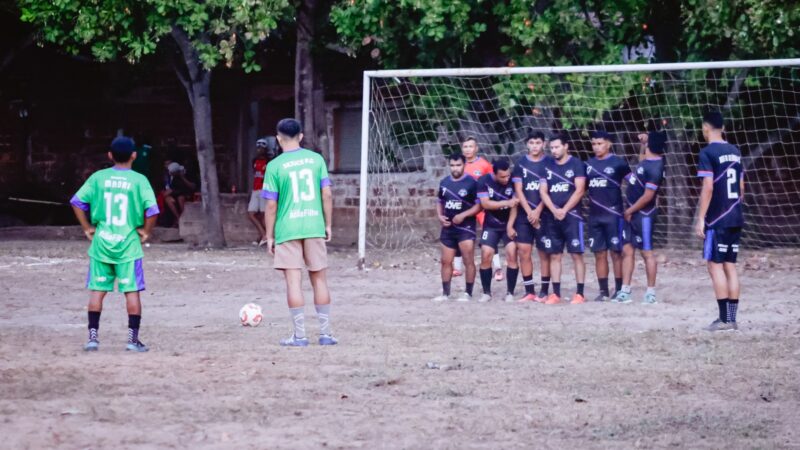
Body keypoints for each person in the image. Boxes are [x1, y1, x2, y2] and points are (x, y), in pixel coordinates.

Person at [69, 136, 159, 352]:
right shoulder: (139, 180)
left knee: (97, 290)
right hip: (128, 245)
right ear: (134, 155)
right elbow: (152, 210)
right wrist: (146, 232)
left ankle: (92, 338)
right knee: (132, 291)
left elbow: (76, 201)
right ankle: (132, 340)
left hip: (102, 243)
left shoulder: (98, 178)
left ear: (110, 155)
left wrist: (87, 227)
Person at [263, 118, 337, 347]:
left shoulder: (274, 166)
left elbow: (271, 205)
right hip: (314, 225)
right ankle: (325, 334)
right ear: (301, 136)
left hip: (288, 229)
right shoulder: (316, 160)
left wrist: (269, 235)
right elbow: (326, 194)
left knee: (293, 282)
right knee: (319, 279)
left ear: (278, 139)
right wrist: (327, 224)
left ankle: (300, 336)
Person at [694, 111, 744, 331]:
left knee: (715, 265)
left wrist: (701, 218)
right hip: (736, 215)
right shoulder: (735, 151)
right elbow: (741, 186)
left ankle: (723, 320)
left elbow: (708, 186)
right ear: (723, 128)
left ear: (705, 128)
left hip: (718, 218)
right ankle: (731, 319)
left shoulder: (707, 152)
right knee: (730, 265)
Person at [613, 130, 667, 304]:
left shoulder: (656, 167)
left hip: (643, 215)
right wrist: (643, 144)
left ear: (652, 144)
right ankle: (625, 290)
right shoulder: (647, 161)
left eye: (647, 140)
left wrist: (629, 211)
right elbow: (642, 159)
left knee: (646, 253)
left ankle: (650, 293)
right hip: (632, 213)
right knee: (627, 250)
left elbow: (648, 196)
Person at [538, 135, 587, 304]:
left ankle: (580, 293)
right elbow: (543, 191)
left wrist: (564, 210)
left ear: (566, 146)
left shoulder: (577, 164)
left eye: (557, 147)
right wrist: (554, 210)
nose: (554, 150)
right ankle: (556, 294)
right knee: (554, 255)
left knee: (576, 255)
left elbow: (580, 190)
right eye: (551, 148)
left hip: (572, 217)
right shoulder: (546, 165)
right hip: (552, 217)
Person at [585, 131, 631, 301]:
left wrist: (631, 208)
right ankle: (603, 291)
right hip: (594, 217)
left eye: (600, 143)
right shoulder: (588, 165)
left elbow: (634, 184)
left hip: (614, 216)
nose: (596, 147)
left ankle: (618, 290)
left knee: (616, 253)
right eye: (594, 144)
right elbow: (581, 188)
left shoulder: (619, 163)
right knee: (599, 254)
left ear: (608, 144)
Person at [509, 131, 552, 302]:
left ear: (544, 144)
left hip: (544, 214)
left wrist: (538, 211)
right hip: (524, 216)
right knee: (524, 251)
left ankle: (544, 291)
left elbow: (549, 190)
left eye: (538, 143)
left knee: (544, 253)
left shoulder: (549, 163)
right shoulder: (520, 163)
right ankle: (529, 291)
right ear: (527, 144)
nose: (535, 146)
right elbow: (518, 190)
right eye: (532, 143)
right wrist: (529, 212)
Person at [433, 153, 482, 302]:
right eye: (452, 165)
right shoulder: (444, 182)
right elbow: (440, 201)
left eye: (458, 165)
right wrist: (440, 216)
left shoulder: (472, 183)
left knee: (468, 261)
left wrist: (463, 215)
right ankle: (445, 294)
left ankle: (468, 293)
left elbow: (479, 205)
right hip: (448, 228)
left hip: (466, 227)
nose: (455, 168)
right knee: (445, 261)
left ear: (464, 165)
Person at [457, 137, 504, 280]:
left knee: (489, 234)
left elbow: (492, 181)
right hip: (465, 204)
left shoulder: (484, 164)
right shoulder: (459, 165)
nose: (468, 149)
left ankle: (497, 268)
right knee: (458, 231)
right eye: (465, 146)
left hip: (482, 205)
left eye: (471, 146)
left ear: (476, 148)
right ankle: (457, 267)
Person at [476, 159, 519, 302]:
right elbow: (485, 204)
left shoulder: (513, 180)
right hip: (491, 224)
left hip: (509, 223)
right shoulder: (483, 181)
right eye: (502, 176)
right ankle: (486, 293)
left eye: (508, 175)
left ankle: (510, 293)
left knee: (512, 253)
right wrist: (506, 202)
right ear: (494, 174)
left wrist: (510, 226)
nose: (506, 179)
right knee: (486, 254)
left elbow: (515, 205)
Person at [247, 138, 274, 245]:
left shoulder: (269, 162)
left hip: (264, 189)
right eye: (258, 147)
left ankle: (266, 236)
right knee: (251, 213)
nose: (259, 150)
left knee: (263, 215)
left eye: (261, 148)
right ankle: (264, 235)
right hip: (255, 189)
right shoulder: (254, 161)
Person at [162, 160, 196, 227]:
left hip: (187, 194)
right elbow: (172, 188)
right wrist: (165, 194)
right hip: (177, 194)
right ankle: (179, 218)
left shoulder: (187, 174)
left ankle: (185, 217)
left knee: (180, 198)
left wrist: (183, 177)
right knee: (168, 199)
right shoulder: (174, 177)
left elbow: (193, 187)